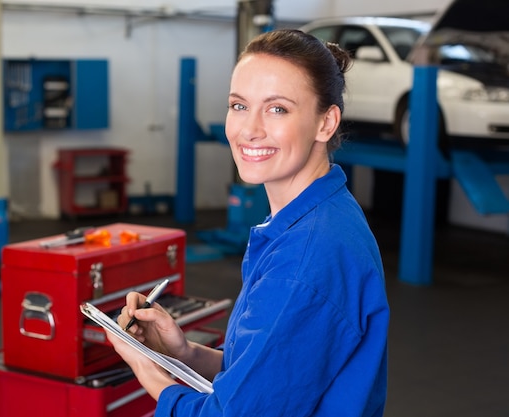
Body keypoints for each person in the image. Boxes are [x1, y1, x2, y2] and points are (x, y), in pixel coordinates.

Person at [106, 28, 390, 417]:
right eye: (239, 105)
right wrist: (183, 352)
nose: (249, 129)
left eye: (278, 109)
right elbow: (271, 377)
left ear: (326, 123)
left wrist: (145, 365)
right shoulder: (320, 215)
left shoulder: (304, 261)